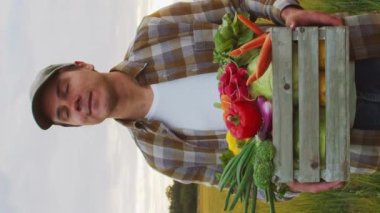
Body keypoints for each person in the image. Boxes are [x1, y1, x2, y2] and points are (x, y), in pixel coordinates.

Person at [30, 0, 380, 199]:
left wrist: (284, 10)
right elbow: (250, 184)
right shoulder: (160, 155)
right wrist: (289, 185)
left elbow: (235, 3)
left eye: (65, 90)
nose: (73, 104)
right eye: (65, 114)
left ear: (81, 65)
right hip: (349, 139)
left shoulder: (153, 31)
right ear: (78, 123)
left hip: (348, 51)